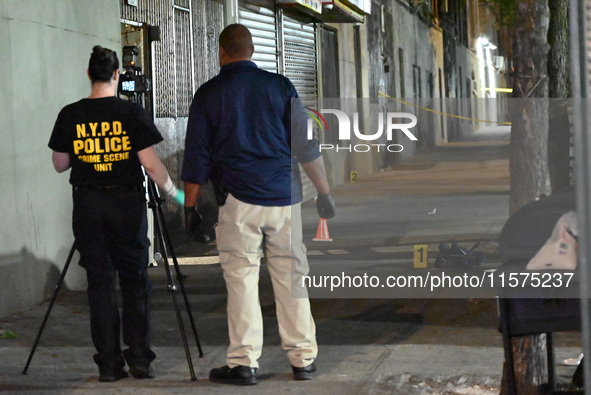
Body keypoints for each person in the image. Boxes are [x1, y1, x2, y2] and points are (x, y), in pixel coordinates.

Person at [181, 24, 336, 385]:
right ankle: (303, 359)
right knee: (292, 277)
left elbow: (197, 157)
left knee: (241, 280)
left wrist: (190, 207)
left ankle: (244, 363)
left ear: (222, 52)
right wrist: (325, 193)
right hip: (285, 199)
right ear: (252, 51)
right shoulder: (280, 86)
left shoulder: (209, 93)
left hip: (239, 201)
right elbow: (306, 147)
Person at [48, 45, 183, 382]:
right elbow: (151, 166)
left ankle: (108, 365)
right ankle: (139, 359)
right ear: (117, 75)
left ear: (89, 74)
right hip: (126, 206)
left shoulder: (70, 113)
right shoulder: (131, 114)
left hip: (88, 206)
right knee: (135, 280)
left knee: (100, 283)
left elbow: (59, 164)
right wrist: (175, 194)